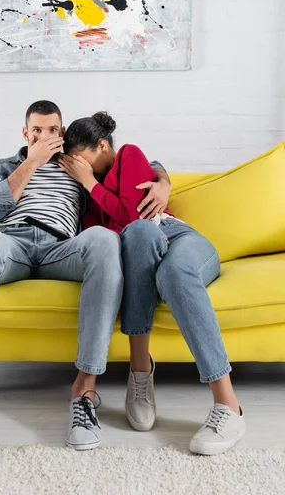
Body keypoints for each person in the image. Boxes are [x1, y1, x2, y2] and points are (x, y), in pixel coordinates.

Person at [0, 100, 128, 461]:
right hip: (12, 243)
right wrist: (31, 162)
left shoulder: (78, 164)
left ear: (63, 133)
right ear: (26, 134)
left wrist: (162, 180)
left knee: (104, 239)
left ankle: (84, 394)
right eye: (36, 131)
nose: (44, 137)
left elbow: (133, 163)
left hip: (62, 248)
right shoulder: (2, 167)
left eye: (52, 130)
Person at [60, 111, 246, 456]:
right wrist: (88, 185)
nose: (77, 167)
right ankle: (140, 374)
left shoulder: (128, 155)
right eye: (71, 163)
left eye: (80, 158)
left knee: (167, 261)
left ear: (102, 145)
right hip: (143, 250)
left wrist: (97, 183)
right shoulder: (86, 192)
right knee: (141, 235)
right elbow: (118, 233)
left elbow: (132, 214)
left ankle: (228, 406)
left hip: (179, 238)